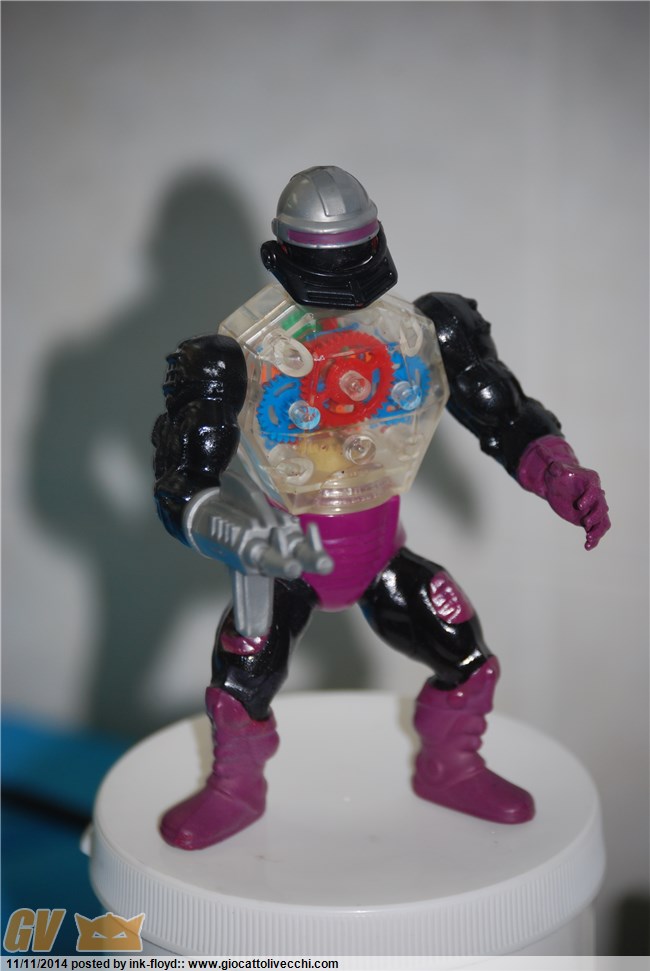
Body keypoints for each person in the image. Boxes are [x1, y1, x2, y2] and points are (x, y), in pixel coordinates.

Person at [152, 166, 610, 850]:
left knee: (467, 657)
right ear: (281, 257)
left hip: (379, 554)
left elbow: (503, 412)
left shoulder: (426, 331)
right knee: (241, 681)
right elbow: (182, 484)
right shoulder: (234, 358)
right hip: (282, 560)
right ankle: (234, 788)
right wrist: (238, 533)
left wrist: (555, 469)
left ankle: (450, 768)